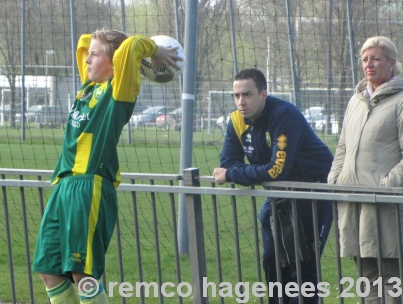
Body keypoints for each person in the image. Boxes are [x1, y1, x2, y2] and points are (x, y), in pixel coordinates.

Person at [32, 29, 181, 304]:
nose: (87, 59)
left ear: (115, 64)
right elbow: (83, 42)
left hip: (90, 186)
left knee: (82, 274)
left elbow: (129, 48)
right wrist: (100, 45)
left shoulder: (119, 90)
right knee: (48, 270)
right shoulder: (88, 86)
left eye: (95, 56)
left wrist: (151, 52)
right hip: (64, 186)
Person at [213, 68, 334, 304]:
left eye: (247, 94)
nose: (241, 102)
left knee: (303, 269)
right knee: (272, 263)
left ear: (263, 94)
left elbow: (276, 170)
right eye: (236, 96)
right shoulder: (236, 120)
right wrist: (234, 171)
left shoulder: (284, 115)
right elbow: (227, 161)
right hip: (278, 198)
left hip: (313, 195)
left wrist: (232, 174)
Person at [328, 36, 403, 304]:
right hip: (352, 203)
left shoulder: (400, 101)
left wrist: (385, 187)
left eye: (376, 58)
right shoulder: (355, 101)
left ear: (392, 63)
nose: (369, 64)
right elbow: (342, 147)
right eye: (365, 59)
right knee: (366, 278)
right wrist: (336, 179)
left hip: (384, 207)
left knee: (391, 279)